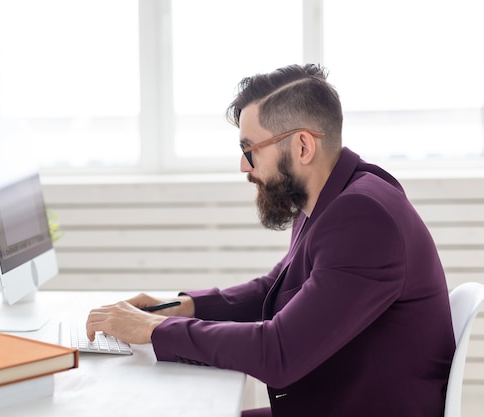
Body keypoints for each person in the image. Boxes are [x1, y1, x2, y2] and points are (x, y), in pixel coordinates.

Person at [86, 64, 455, 416]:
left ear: (303, 147)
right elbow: (274, 291)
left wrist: (153, 330)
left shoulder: (362, 217)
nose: (244, 166)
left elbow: (280, 352)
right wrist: (180, 306)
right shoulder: (335, 197)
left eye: (251, 149)